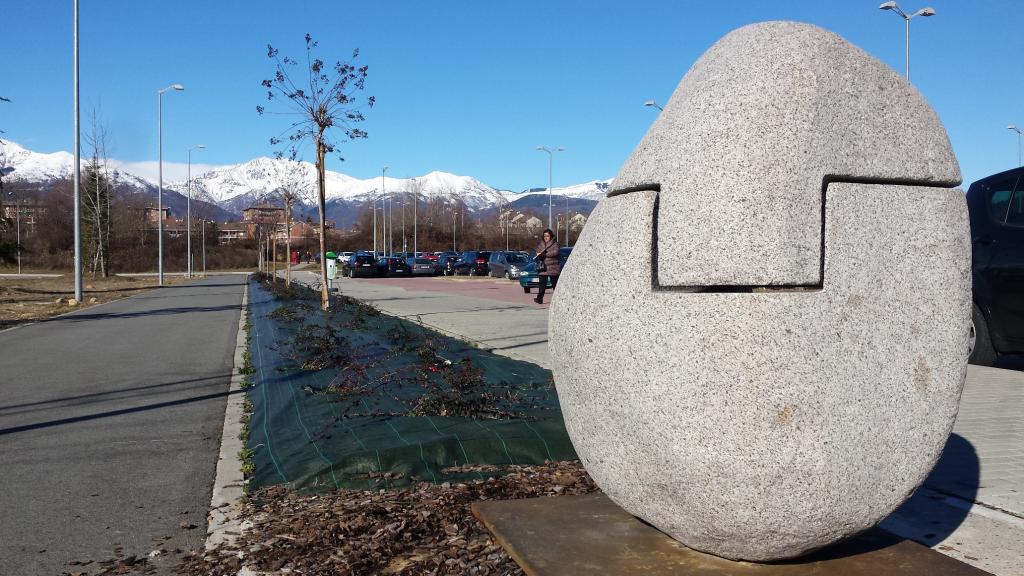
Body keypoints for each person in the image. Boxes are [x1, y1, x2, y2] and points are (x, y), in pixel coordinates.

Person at [533, 228, 561, 304]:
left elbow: (555, 252)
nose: (546, 237)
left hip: (553, 267)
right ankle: (539, 299)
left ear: (551, 236)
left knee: (555, 285)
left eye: (547, 236)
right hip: (543, 267)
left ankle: (559, 299)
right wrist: (539, 255)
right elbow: (538, 252)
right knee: (542, 285)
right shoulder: (540, 244)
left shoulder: (555, 244)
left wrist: (545, 254)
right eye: (545, 236)